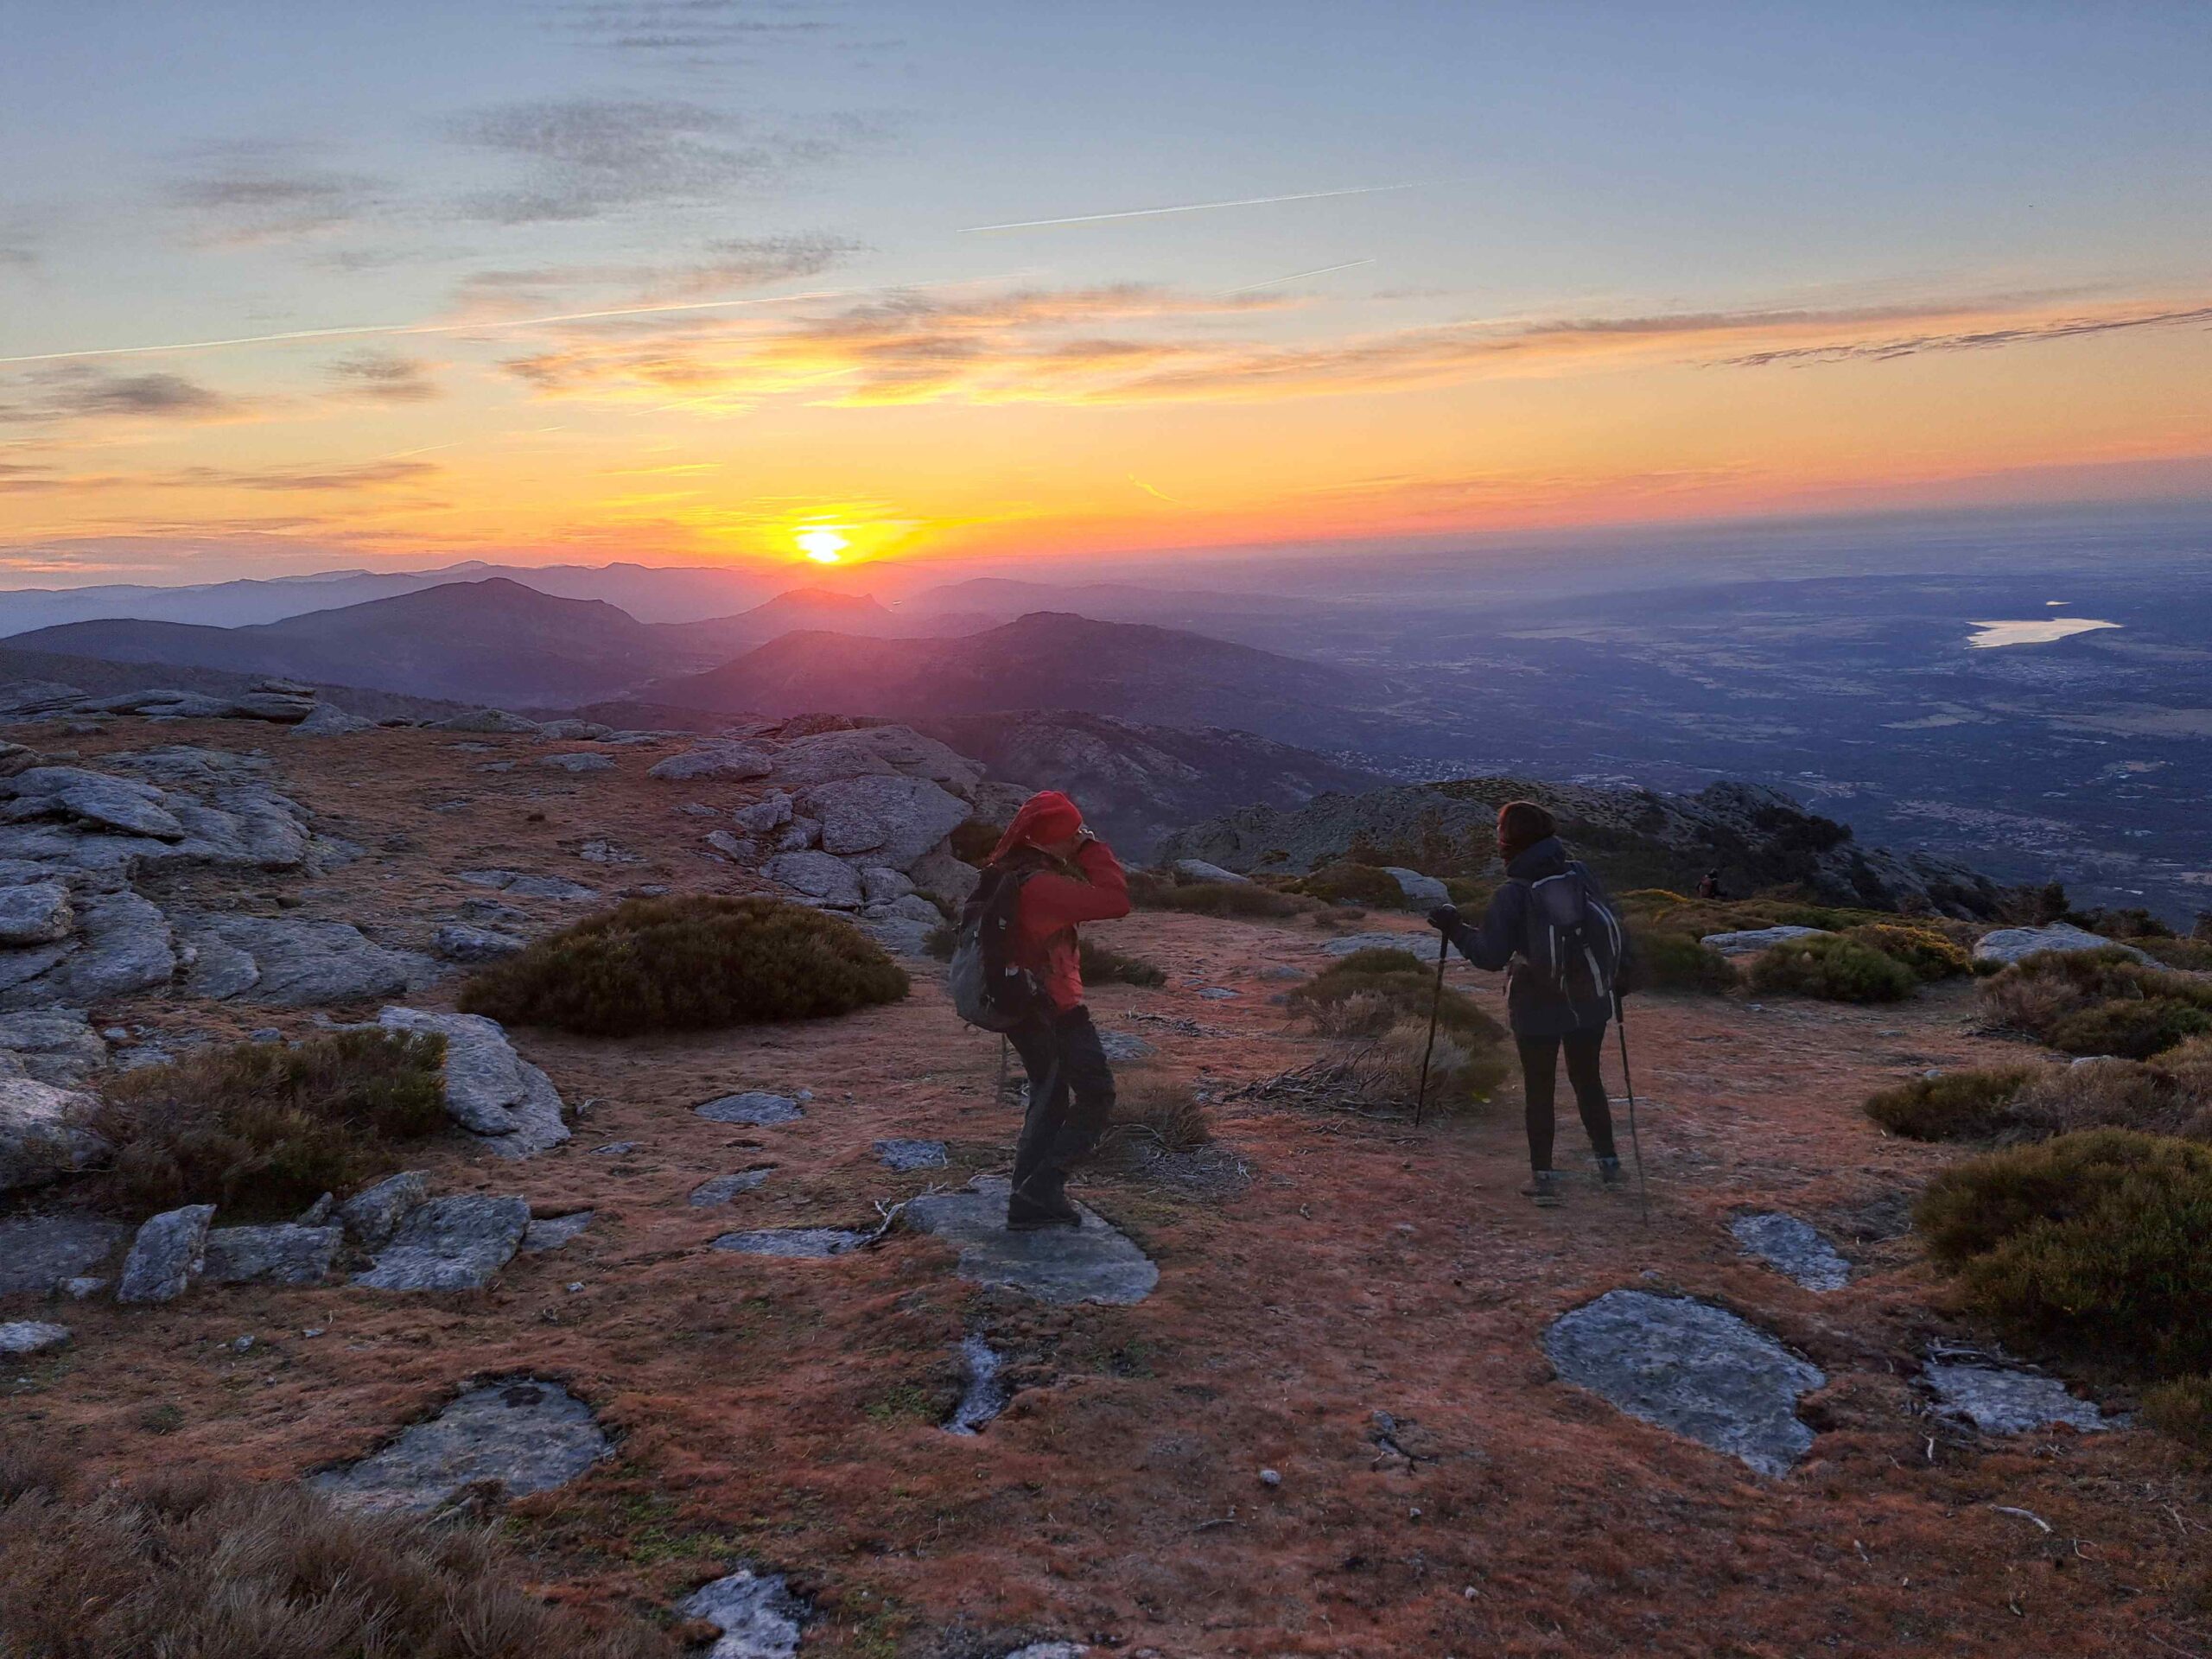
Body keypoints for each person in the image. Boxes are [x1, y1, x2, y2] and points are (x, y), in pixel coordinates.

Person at [1426, 800, 1630, 1207]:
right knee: (1588, 1080)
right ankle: (1609, 1165)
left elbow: (1489, 956)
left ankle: (1545, 1179)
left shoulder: (1513, 893)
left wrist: (1454, 927)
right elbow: (1611, 921)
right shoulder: (1580, 872)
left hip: (1537, 1006)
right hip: (1590, 1001)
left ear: (1508, 840)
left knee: (1540, 1088)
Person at [984, 790, 1131, 1230]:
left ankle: (1029, 1197)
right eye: (1072, 833)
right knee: (1095, 1093)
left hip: (1027, 1006)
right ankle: (1040, 1190)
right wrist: (1092, 847)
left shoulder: (1011, 873)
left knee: (1048, 1101)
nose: (1077, 839)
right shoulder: (1041, 886)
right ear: (1051, 840)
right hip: (1051, 1010)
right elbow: (1116, 900)